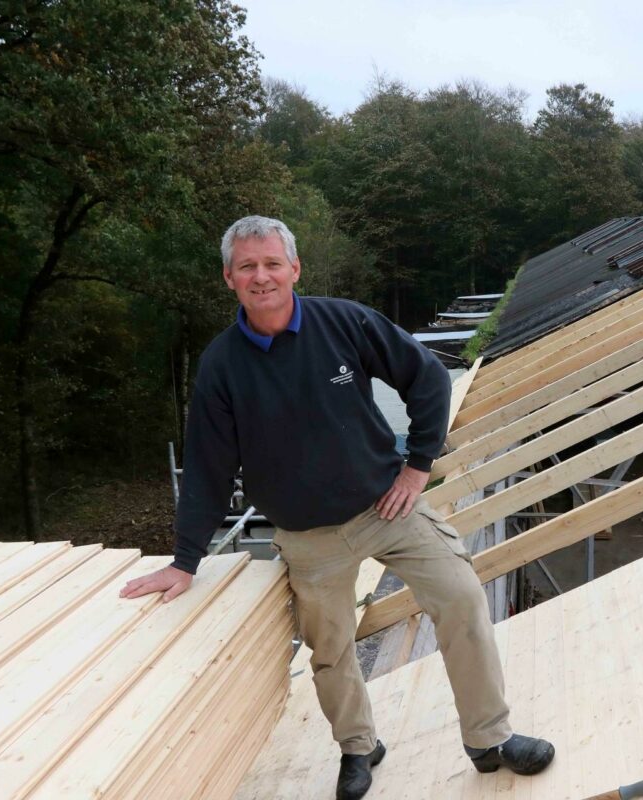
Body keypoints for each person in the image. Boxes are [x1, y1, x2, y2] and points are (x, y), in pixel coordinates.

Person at [119, 216, 554, 799]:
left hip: (387, 507)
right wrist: (184, 560)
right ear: (229, 278)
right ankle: (359, 748)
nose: (261, 275)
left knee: (462, 598)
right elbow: (207, 466)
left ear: (295, 268)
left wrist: (418, 464)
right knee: (331, 651)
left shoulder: (343, 322)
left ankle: (489, 739)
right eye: (247, 266)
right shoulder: (222, 365)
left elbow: (425, 377)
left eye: (272, 263)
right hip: (308, 536)